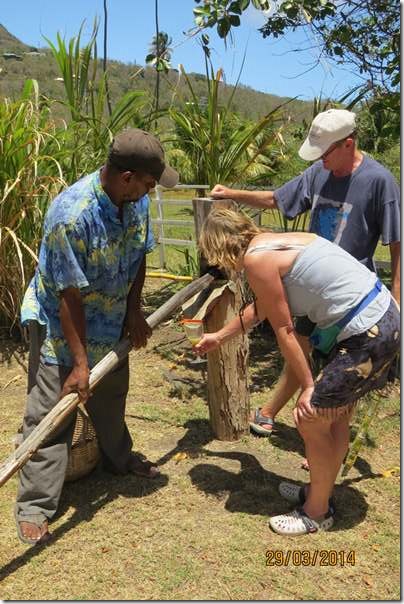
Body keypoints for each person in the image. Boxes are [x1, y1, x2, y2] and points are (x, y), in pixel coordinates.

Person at [15, 128, 179, 545]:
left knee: (112, 397)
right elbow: (68, 295)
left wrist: (133, 309)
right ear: (126, 177)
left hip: (110, 320)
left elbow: (139, 254)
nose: (150, 191)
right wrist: (80, 362)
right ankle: (35, 504)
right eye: (147, 182)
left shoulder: (134, 201)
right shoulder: (70, 215)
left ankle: (118, 460)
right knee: (54, 411)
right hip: (60, 323)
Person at [195, 207, 400, 534]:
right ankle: (320, 491)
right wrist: (220, 336)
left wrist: (307, 385)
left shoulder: (255, 261)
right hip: (384, 318)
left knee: (311, 415)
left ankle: (315, 513)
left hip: (368, 333)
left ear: (219, 247)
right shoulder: (272, 244)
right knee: (337, 415)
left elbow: (285, 330)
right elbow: (263, 306)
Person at [210, 109, 400, 436]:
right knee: (298, 349)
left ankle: (322, 436)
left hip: (348, 296)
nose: (320, 160)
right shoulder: (318, 172)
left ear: (348, 144)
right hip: (308, 284)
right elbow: (276, 199)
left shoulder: (379, 181)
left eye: (325, 153)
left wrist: (396, 301)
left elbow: (397, 247)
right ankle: (283, 416)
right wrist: (231, 195)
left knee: (340, 368)